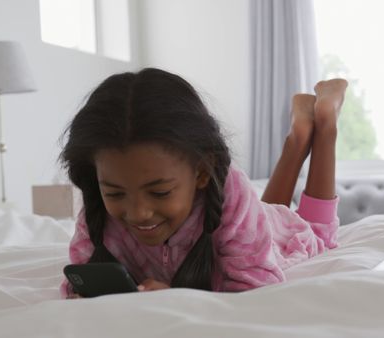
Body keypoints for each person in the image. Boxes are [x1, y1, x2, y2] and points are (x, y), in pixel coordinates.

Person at [60, 68, 347, 297]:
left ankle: (324, 123)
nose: (138, 212)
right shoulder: (97, 207)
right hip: (255, 223)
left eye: (159, 192)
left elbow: (256, 291)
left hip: (261, 226)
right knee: (267, 214)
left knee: (318, 235)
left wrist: (177, 297)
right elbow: (78, 279)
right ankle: (297, 137)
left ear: (201, 173)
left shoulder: (230, 190)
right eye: (115, 193)